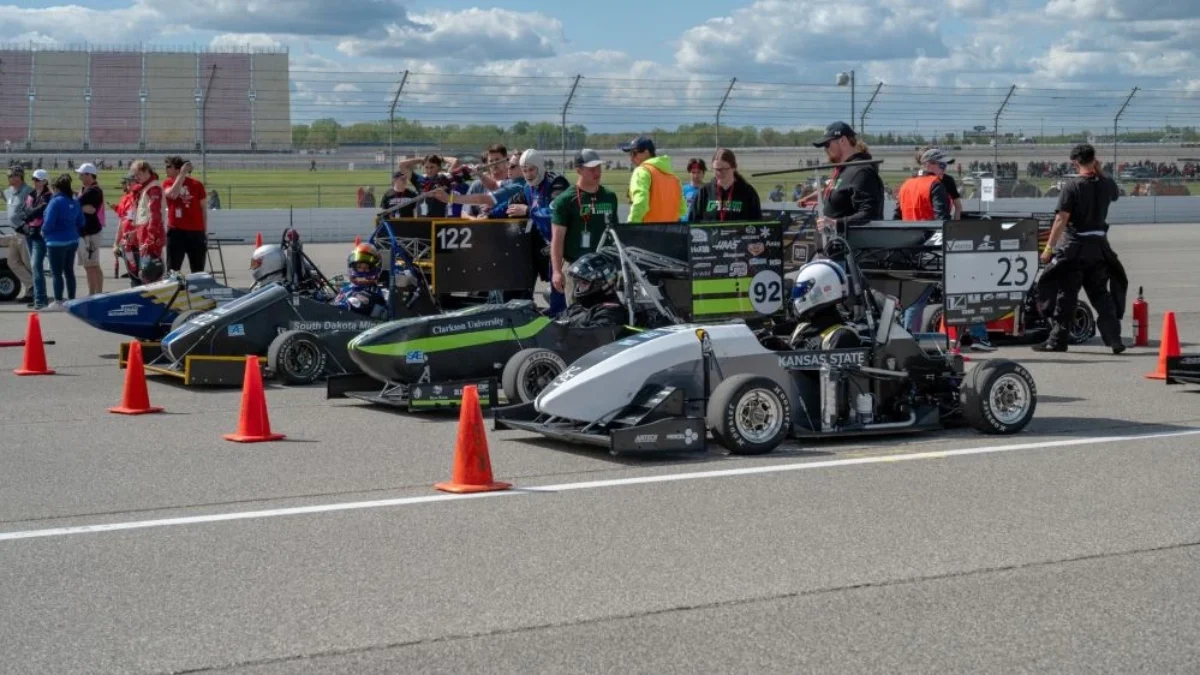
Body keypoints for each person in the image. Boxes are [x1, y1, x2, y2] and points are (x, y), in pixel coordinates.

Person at [1034, 143, 1125, 354]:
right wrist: (1100, 171)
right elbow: (1115, 194)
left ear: (1074, 162)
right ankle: (1114, 339)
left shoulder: (1072, 186)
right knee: (1101, 295)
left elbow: (1061, 220)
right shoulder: (1106, 184)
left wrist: (1049, 248)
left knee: (1067, 295)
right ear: (1094, 159)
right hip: (1100, 248)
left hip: (1075, 248)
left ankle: (1057, 341)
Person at [549, 149, 620, 305]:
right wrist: (556, 271)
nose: (597, 172)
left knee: (607, 313)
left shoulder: (610, 196)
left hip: (604, 269)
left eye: (598, 168)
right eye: (591, 169)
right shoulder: (565, 200)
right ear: (578, 170)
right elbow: (557, 239)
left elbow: (616, 234)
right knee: (578, 317)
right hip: (576, 269)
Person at [809, 122, 884, 232]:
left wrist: (836, 224)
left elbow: (870, 214)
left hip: (852, 247)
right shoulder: (844, 170)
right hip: (835, 245)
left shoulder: (861, 171)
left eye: (827, 145)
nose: (825, 150)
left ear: (842, 141)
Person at [39, 173, 85, 309]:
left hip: (55, 241)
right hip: (72, 239)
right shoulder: (75, 201)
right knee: (69, 272)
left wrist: (43, 231)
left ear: (55, 188)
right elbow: (81, 221)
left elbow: (49, 222)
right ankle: (72, 299)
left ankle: (58, 300)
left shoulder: (55, 202)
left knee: (56, 273)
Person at [621, 135, 688, 223]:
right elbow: (682, 209)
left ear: (646, 152)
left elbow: (640, 202)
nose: (631, 158)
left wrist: (631, 225)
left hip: (648, 232)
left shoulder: (642, 171)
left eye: (634, 153)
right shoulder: (673, 178)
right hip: (672, 232)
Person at [687, 148, 763, 222]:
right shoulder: (704, 192)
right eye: (716, 169)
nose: (719, 173)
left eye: (724, 169)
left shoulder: (748, 192)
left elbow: (757, 224)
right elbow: (693, 222)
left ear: (733, 167)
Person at [558, 251, 627, 329]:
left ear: (599, 284)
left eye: (584, 283)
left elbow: (591, 337)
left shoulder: (610, 312)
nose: (579, 287)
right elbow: (551, 324)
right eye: (578, 282)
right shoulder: (577, 306)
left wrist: (563, 326)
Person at [162, 156, 207, 273]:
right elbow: (172, 194)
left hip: (196, 231)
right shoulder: (167, 183)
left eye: (168, 167)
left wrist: (204, 231)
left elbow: (203, 208)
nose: (166, 170)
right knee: (173, 268)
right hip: (176, 231)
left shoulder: (197, 185)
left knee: (198, 269)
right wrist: (181, 176)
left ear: (177, 169)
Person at [129, 160, 166, 284]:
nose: (136, 178)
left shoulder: (153, 188)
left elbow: (155, 215)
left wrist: (150, 239)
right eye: (134, 175)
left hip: (151, 234)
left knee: (151, 270)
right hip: (145, 232)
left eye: (138, 174)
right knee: (147, 270)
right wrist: (135, 232)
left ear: (146, 171)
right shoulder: (145, 188)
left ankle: (156, 298)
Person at [332, 243, 390, 319]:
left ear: (374, 270)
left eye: (366, 267)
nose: (362, 270)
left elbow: (355, 305)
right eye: (359, 267)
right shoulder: (347, 288)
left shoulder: (374, 293)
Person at [894, 148, 952, 221]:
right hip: (929, 231)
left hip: (907, 231)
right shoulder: (935, 184)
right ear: (928, 164)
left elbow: (896, 217)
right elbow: (942, 220)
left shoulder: (905, 185)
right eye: (942, 165)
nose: (944, 169)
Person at [23, 170, 53, 309]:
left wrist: (29, 213)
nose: (35, 182)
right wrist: (30, 213)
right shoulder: (32, 195)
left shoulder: (48, 196)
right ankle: (38, 297)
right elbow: (24, 210)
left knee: (37, 266)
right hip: (31, 232)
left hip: (41, 235)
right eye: (34, 179)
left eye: (37, 179)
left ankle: (41, 299)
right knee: (35, 267)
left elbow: (40, 210)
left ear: (45, 181)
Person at [75, 162, 105, 295]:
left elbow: (76, 203)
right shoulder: (84, 189)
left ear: (89, 175)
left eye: (81, 174)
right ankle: (92, 292)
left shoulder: (94, 190)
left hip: (91, 233)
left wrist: (79, 207)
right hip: (84, 232)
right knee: (89, 266)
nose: (79, 177)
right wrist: (83, 208)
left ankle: (96, 293)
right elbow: (83, 206)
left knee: (93, 265)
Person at [5, 166, 34, 304]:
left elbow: (33, 211)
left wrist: (27, 226)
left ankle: (34, 291)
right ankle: (31, 285)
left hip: (24, 233)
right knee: (12, 262)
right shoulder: (10, 191)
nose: (9, 178)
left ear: (19, 177)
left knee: (28, 263)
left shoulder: (28, 192)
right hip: (14, 232)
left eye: (11, 176)